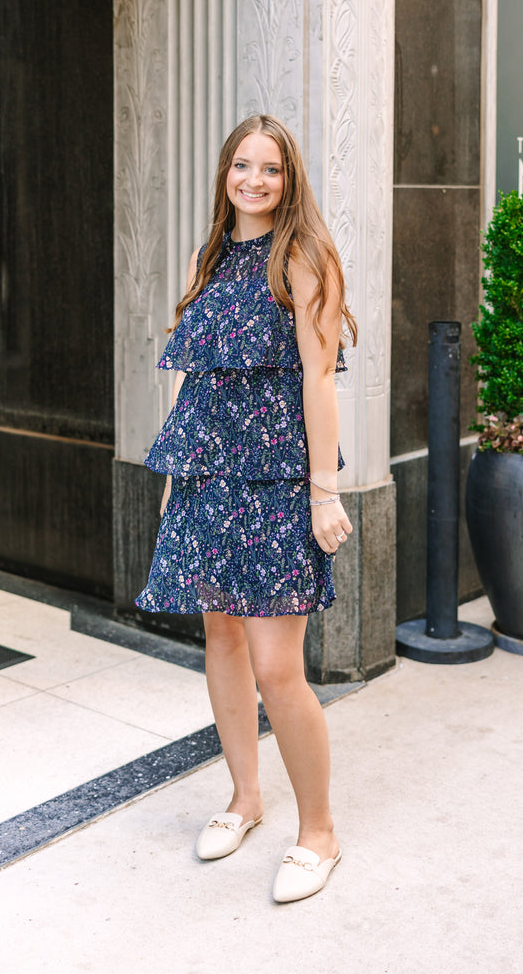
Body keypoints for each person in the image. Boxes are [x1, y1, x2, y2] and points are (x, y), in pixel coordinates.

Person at [135, 114, 356, 903]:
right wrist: (174, 478)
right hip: (210, 482)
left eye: (270, 169)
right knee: (221, 640)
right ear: (225, 172)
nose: (254, 181)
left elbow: (318, 378)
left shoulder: (302, 256)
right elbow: (194, 373)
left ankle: (319, 831)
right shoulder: (212, 256)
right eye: (242, 166)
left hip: (278, 485)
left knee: (277, 666)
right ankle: (244, 799)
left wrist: (323, 491)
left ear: (289, 179)